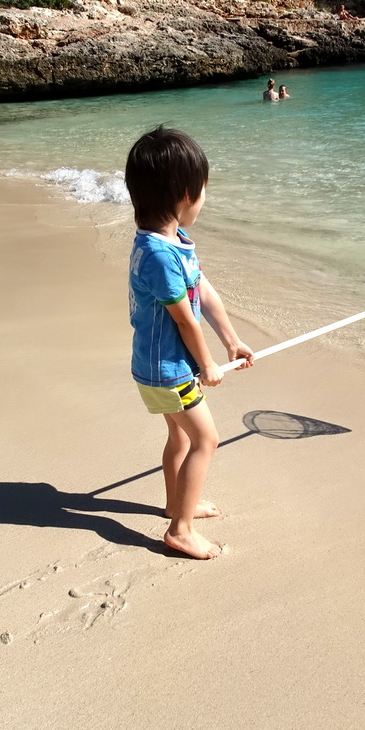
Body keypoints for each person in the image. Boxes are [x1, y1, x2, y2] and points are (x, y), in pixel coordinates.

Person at [125, 126, 255, 559]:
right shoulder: (161, 257)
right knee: (207, 441)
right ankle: (180, 530)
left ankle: (175, 504)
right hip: (170, 371)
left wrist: (231, 341)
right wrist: (207, 365)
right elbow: (184, 318)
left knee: (180, 440)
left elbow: (203, 290)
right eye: (202, 192)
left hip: (157, 367)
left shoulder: (168, 242)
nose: (203, 200)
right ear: (184, 194)